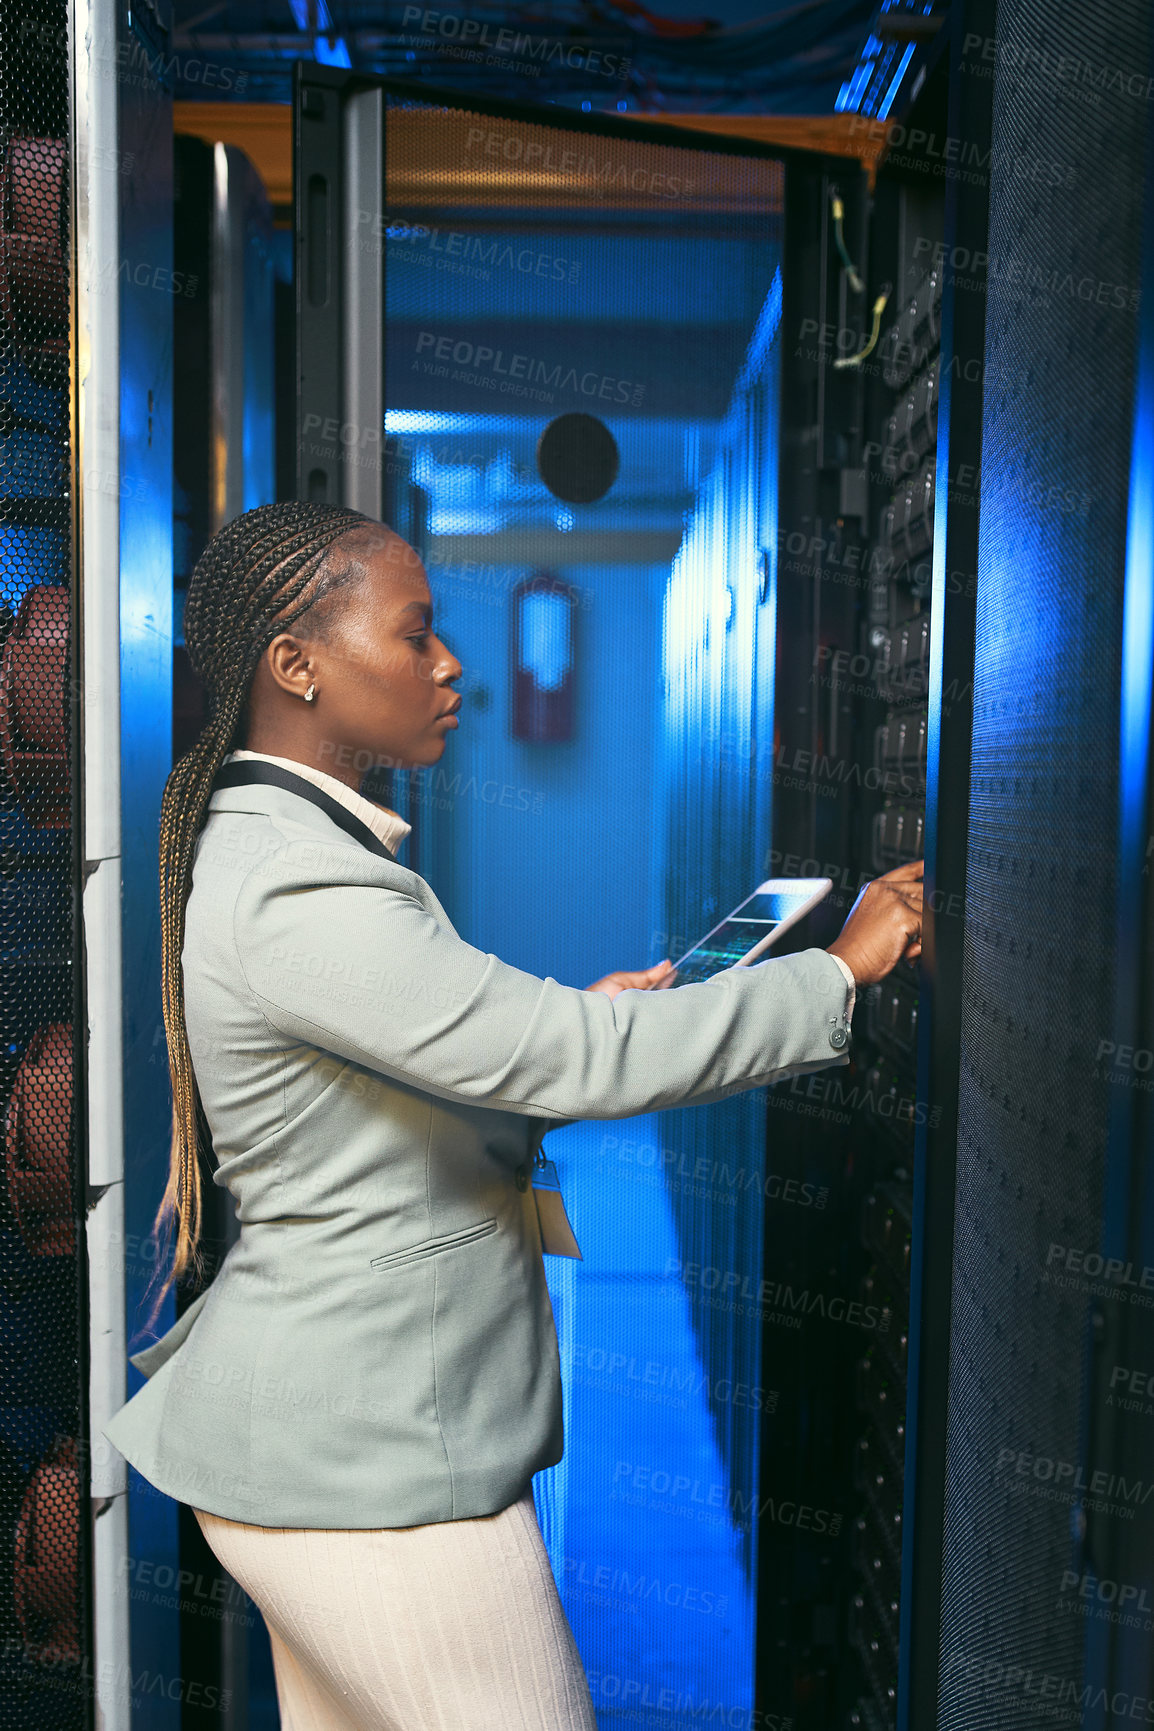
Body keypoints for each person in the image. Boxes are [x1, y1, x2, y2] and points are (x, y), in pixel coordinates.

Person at [103, 501, 923, 1731]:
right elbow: (575, 1060)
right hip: (364, 1468)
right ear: (298, 667)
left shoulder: (295, 847)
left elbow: (421, 1079)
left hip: (332, 1452)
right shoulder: (294, 880)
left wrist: (552, 1038)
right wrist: (835, 974)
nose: (451, 666)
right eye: (416, 632)